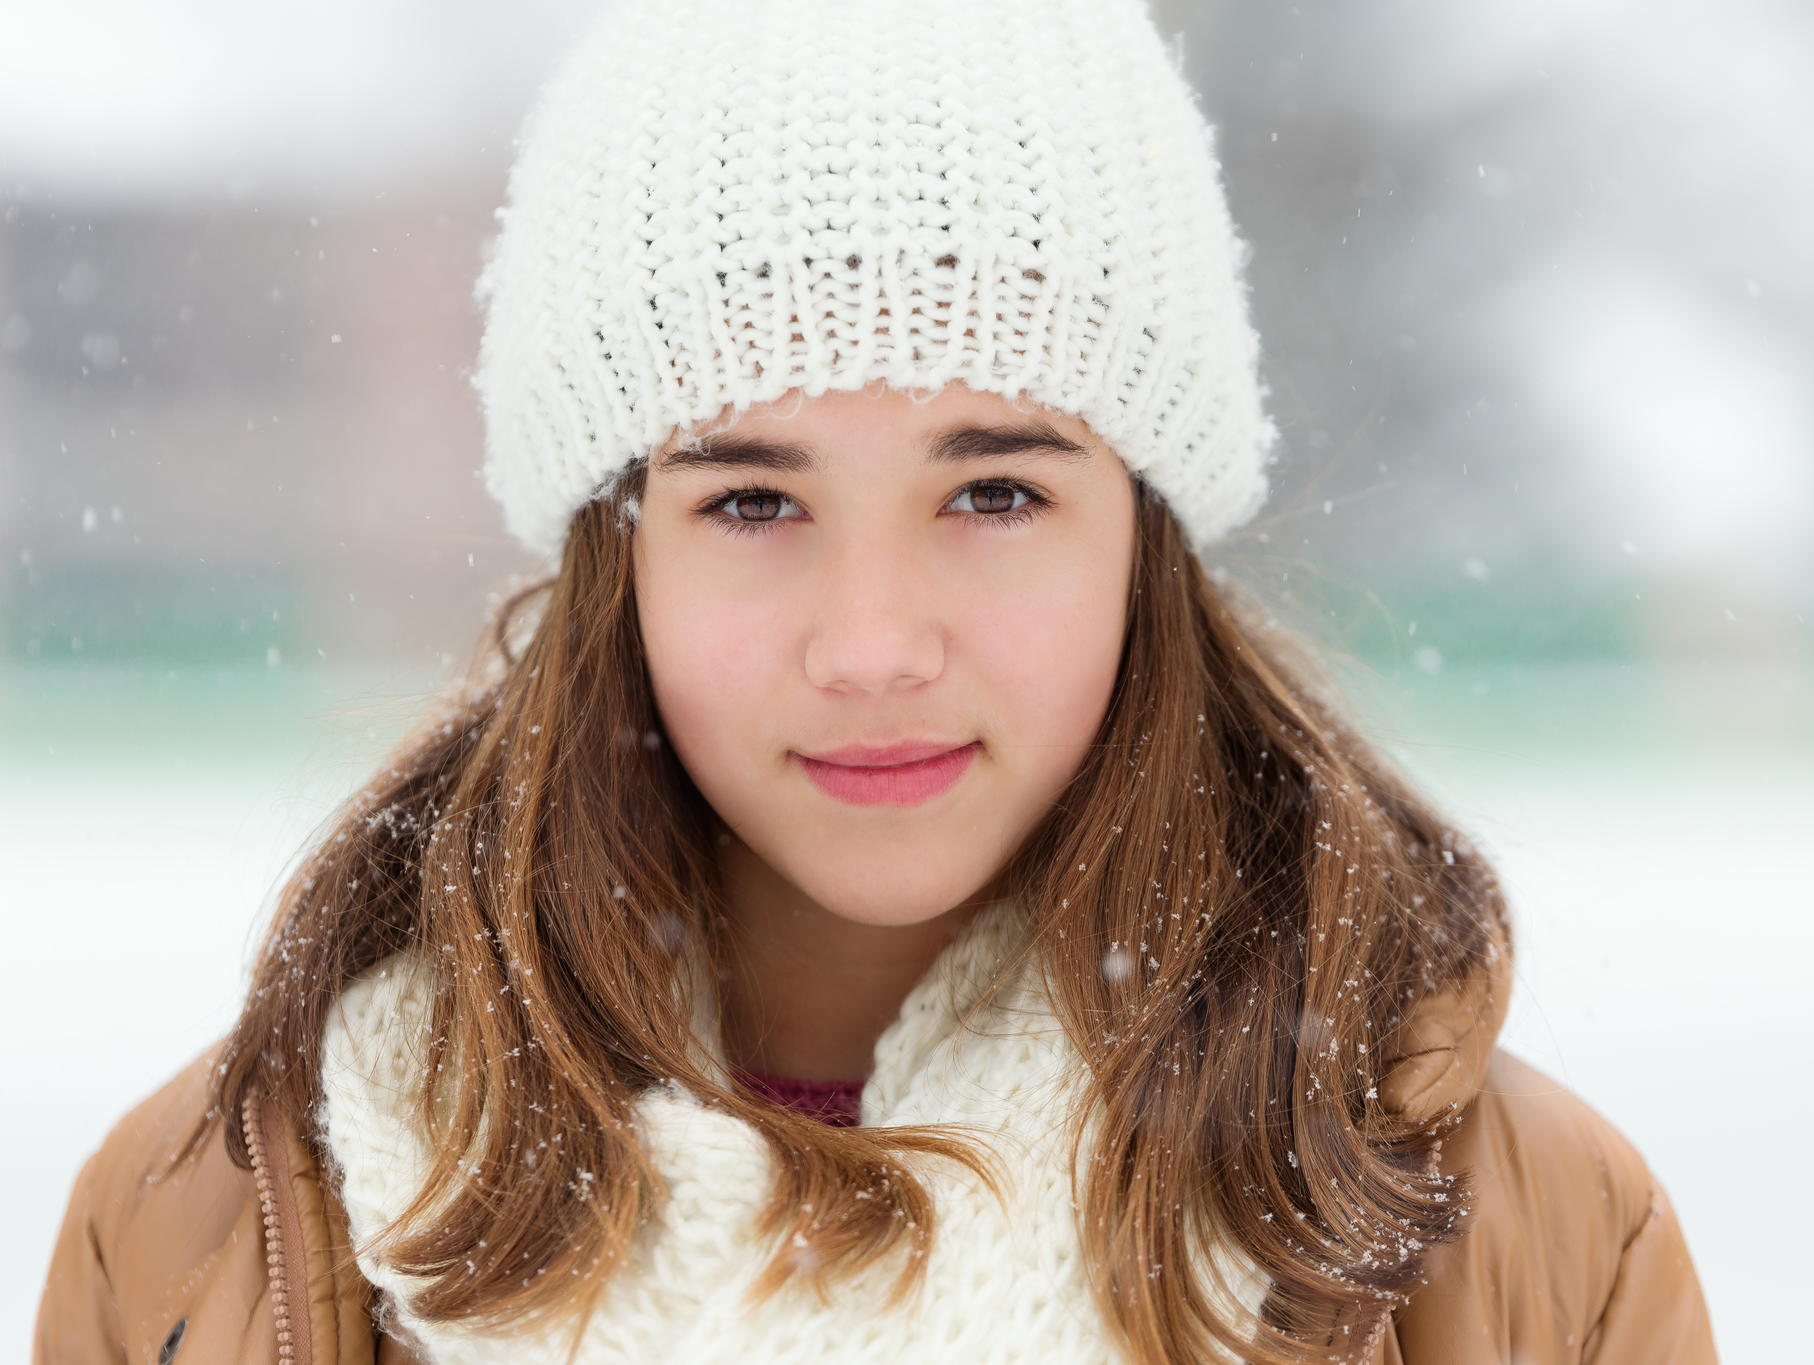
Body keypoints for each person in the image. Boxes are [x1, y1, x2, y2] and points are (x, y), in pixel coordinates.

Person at [33, 0, 1719, 1361]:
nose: (871, 643)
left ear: (1147, 533)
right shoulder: (222, 1232)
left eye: (995, 492)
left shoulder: (1515, 1240)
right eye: (753, 500)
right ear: (617, 550)